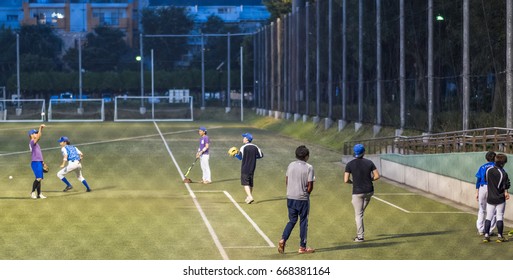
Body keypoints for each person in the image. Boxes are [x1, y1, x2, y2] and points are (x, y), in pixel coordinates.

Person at [278, 145, 315, 254]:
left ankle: (283, 239)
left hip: (290, 197)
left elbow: (287, 180)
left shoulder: (291, 165)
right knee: (303, 221)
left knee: (292, 220)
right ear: (306, 156)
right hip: (302, 199)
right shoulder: (309, 167)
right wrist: (306, 193)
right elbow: (310, 185)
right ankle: (302, 247)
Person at [344, 143, 380, 242]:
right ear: (364, 152)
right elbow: (377, 176)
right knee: (360, 212)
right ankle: (359, 225)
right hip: (369, 191)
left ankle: (360, 237)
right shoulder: (369, 162)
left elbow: (346, 180)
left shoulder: (350, 164)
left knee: (358, 214)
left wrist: (353, 182)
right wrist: (369, 179)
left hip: (357, 192)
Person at [483, 153, 510, 243]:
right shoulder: (503, 173)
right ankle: (500, 236)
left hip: (490, 197)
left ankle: (486, 235)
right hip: (500, 198)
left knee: (488, 216)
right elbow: (506, 184)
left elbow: (486, 180)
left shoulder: (488, 170)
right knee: (499, 216)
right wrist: (506, 192)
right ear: (503, 163)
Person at [235, 132, 263, 204]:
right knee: (250, 182)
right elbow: (260, 155)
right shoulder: (255, 147)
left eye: (244, 137)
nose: (243, 139)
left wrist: (235, 154)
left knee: (245, 183)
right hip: (252, 167)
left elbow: (240, 157)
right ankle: (249, 196)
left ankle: (250, 196)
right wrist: (253, 157)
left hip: (245, 168)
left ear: (247, 139)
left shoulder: (243, 147)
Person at [475, 151, 497, 235]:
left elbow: (478, 180)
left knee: (481, 210)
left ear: (486, 158)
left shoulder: (482, 167)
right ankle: (490, 230)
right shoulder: (497, 167)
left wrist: (477, 191)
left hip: (483, 188)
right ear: (495, 158)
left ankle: (480, 229)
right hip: (493, 188)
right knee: (493, 210)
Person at [28, 124, 47, 199]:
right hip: (35, 162)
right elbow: (38, 137)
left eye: (36, 133)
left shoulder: (35, 143)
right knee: (39, 178)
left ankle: (39, 194)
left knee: (39, 179)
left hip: (39, 162)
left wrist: (42, 162)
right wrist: (40, 128)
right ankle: (32, 192)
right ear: (31, 135)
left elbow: (39, 154)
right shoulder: (32, 142)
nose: (36, 134)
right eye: (35, 133)